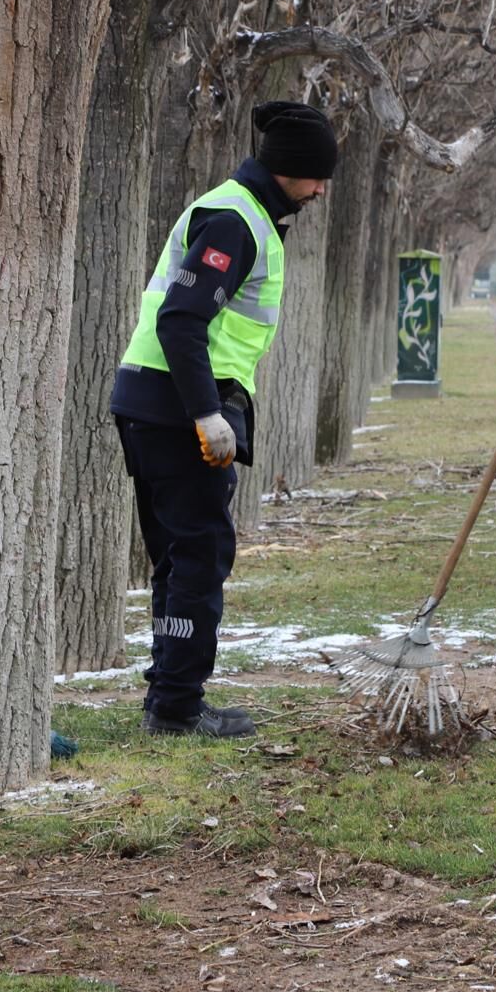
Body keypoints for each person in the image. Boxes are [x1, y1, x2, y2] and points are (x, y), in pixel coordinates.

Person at [110, 101, 336, 738]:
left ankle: (168, 698)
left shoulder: (246, 212)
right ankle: (179, 706)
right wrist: (207, 415)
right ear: (287, 169)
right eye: (316, 176)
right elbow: (181, 320)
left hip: (151, 401)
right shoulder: (237, 220)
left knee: (178, 559)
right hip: (179, 410)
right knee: (200, 556)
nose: (321, 189)